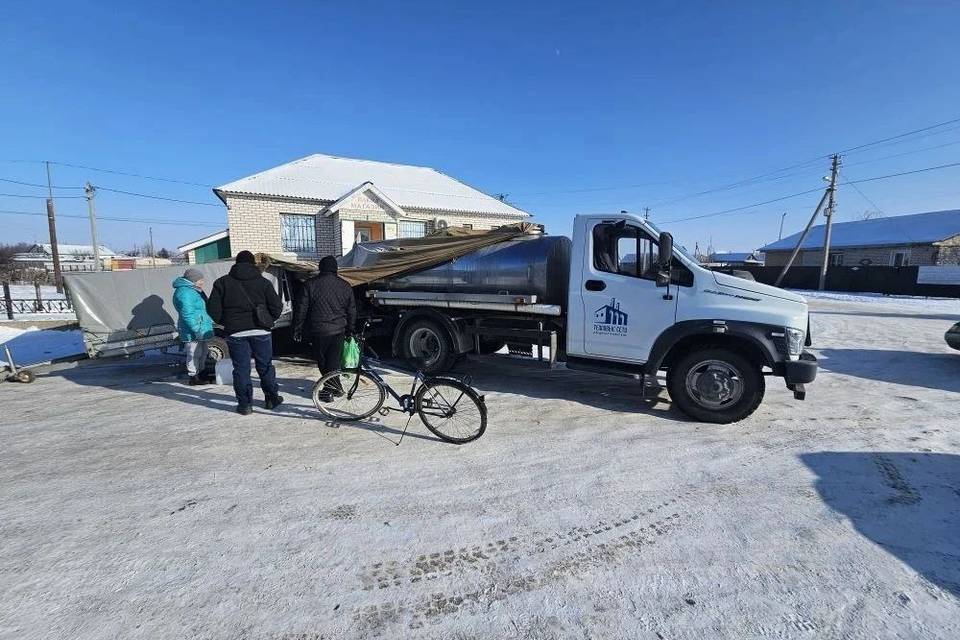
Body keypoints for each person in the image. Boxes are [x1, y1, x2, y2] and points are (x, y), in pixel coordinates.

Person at [207, 251, 284, 415]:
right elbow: (277, 306)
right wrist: (268, 320)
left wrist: (226, 321)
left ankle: (245, 405)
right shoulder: (263, 282)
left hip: (235, 333)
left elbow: (212, 308)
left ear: (236, 263)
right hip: (261, 331)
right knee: (265, 367)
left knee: (241, 369)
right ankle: (271, 399)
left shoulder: (222, 283)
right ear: (252, 264)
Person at [293, 255, 357, 400]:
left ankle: (329, 391)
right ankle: (335, 387)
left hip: (319, 330)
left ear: (320, 268)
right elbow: (352, 310)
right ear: (335, 268)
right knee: (333, 361)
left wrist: (297, 328)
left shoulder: (310, 285)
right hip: (339, 330)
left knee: (323, 361)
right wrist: (351, 329)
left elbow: (301, 309)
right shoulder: (345, 285)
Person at [172, 268, 215, 385]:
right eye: (200, 280)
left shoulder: (194, 290)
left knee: (203, 351)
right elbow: (187, 313)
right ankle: (193, 376)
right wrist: (196, 328)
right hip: (192, 330)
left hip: (200, 327)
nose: (202, 282)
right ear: (193, 280)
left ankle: (200, 373)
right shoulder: (185, 293)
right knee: (193, 353)